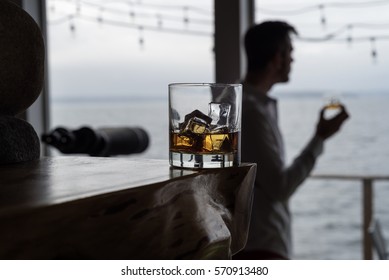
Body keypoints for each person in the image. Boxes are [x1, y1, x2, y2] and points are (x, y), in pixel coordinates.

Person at [233, 21, 350, 260]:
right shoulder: (251, 112)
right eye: (291, 53)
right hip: (260, 248)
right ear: (278, 57)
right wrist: (320, 138)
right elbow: (280, 187)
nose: (293, 61)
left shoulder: (249, 106)